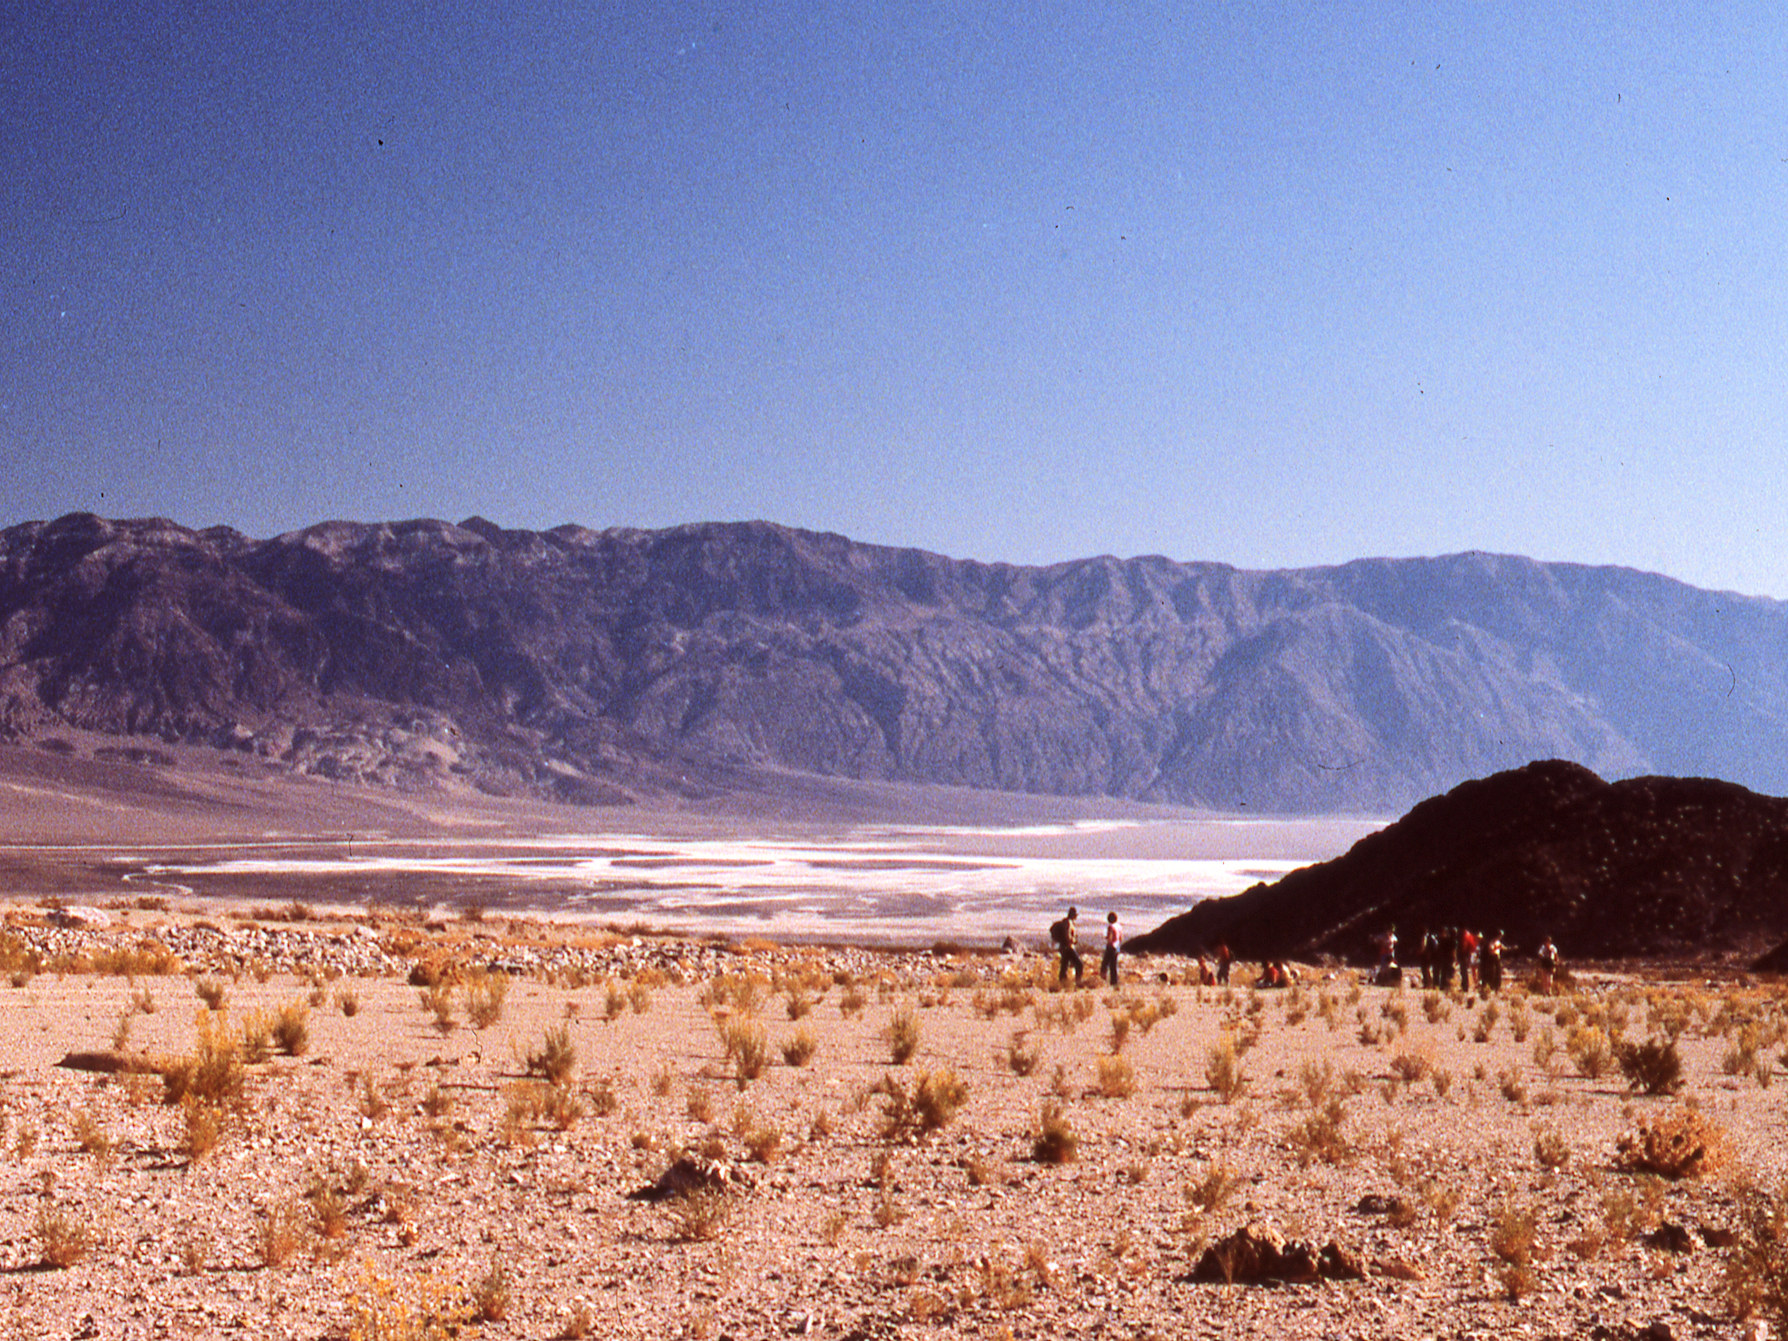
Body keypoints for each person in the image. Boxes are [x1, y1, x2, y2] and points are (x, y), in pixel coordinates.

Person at [1049, 906, 1084, 987]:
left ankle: (1062, 983)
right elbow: (1067, 935)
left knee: (1064, 966)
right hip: (1067, 947)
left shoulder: (1069, 922)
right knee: (1079, 964)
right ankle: (1078, 983)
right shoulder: (1068, 923)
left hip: (1064, 947)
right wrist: (1073, 940)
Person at [1100, 911, 1122, 987]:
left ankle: (1102, 981)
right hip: (1117, 947)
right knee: (1113, 966)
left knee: (1104, 965)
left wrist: (1108, 941)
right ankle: (1114, 983)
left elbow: (1110, 938)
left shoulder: (1111, 927)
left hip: (1111, 947)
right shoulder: (1119, 926)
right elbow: (1120, 938)